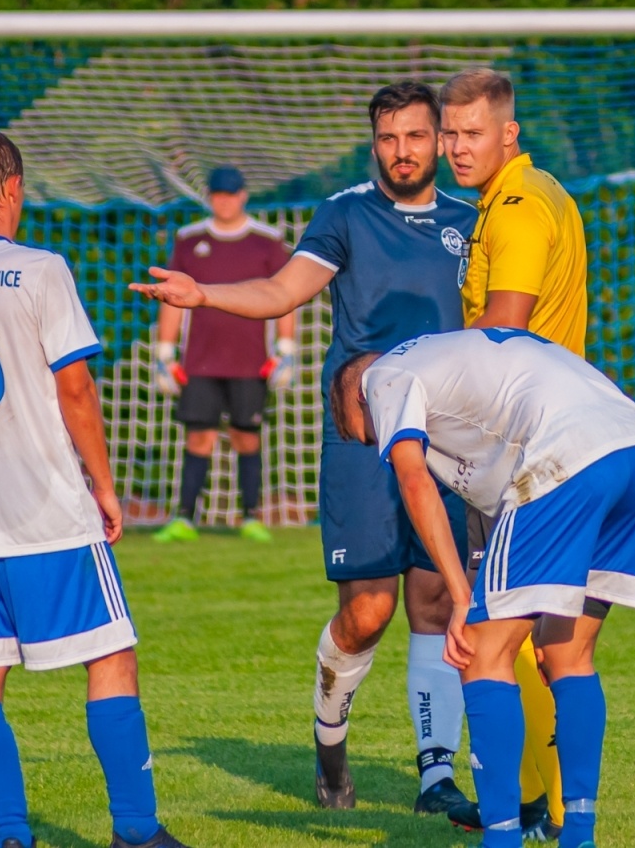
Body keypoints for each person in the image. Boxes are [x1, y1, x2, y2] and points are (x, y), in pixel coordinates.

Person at [129, 82, 477, 818]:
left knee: (436, 598)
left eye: (415, 136)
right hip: (365, 434)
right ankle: (330, 737)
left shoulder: (470, 221)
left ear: (439, 140)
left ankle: (435, 777)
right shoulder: (346, 213)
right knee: (369, 612)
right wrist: (207, 296)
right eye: (388, 138)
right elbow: (282, 290)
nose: (402, 151)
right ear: (374, 142)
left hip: (449, 434)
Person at [0, 131, 188, 848]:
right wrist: (106, 485)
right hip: (47, 509)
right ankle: (136, 831)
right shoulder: (39, 270)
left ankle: (10, 835)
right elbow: (76, 387)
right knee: (112, 655)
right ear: (15, 190)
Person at [330, 328, 635, 848]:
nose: (376, 444)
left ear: (357, 397)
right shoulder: (449, 358)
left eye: (365, 435)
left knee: (480, 652)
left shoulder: (383, 376)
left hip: (565, 456)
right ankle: (579, 835)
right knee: (567, 653)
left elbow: (415, 481)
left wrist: (463, 596)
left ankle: (502, 838)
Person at [441, 66, 587, 838]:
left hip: (529, 449)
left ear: (509, 133)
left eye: (473, 133)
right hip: (546, 441)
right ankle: (547, 805)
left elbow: (504, 336)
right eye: (451, 133)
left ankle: (541, 805)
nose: (458, 148)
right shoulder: (519, 198)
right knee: (533, 637)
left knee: (505, 637)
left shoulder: (521, 212)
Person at [152, 165, 295, 543]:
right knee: (198, 437)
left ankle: (250, 515)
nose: (225, 201)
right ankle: (184, 517)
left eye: (231, 194)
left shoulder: (267, 240)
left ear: (243, 196)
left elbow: (285, 296)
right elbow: (171, 297)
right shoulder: (189, 239)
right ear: (210, 197)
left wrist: (286, 348)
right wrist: (164, 351)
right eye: (218, 194)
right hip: (200, 359)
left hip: (250, 360)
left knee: (247, 436)